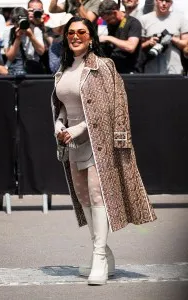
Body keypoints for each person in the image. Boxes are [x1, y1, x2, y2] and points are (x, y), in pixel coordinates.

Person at [51, 16, 157, 286]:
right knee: (83, 195)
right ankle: (105, 253)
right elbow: (62, 104)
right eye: (71, 33)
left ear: (91, 37)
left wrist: (77, 129)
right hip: (72, 142)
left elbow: (107, 108)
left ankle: (98, 255)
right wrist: (59, 124)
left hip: (98, 141)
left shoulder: (103, 66)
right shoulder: (63, 69)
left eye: (81, 32)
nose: (75, 37)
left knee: (98, 194)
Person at [140, 0, 188, 74]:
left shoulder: (181, 19)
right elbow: (138, 46)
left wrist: (171, 38)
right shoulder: (144, 19)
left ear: (171, 3)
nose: (164, 4)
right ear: (155, 1)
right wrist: (149, 42)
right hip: (151, 70)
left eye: (167, 1)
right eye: (161, 0)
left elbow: (186, 45)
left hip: (174, 70)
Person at [98, 0, 142, 74]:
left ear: (115, 13)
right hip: (115, 71)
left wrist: (108, 38)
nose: (107, 23)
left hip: (131, 72)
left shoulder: (133, 23)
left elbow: (131, 47)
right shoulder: (112, 25)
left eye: (108, 20)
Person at [3, 7, 45, 75]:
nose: (20, 25)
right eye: (17, 23)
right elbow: (10, 57)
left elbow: (41, 52)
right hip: (13, 67)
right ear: (13, 22)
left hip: (32, 67)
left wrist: (31, 36)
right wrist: (18, 38)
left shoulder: (35, 30)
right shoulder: (8, 32)